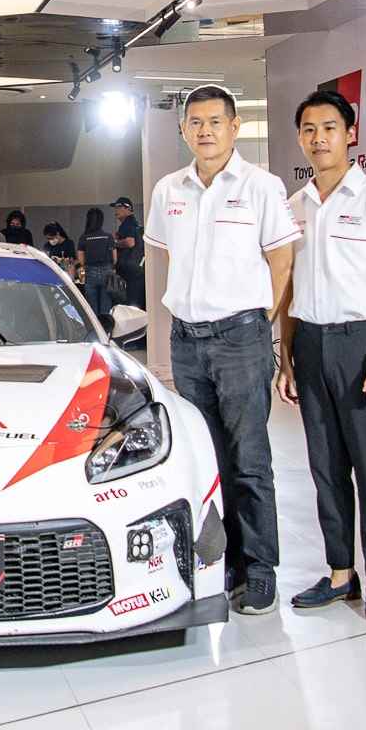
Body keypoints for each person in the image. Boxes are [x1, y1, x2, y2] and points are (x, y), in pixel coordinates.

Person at [147, 85, 301, 615]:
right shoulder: (169, 189)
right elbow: (171, 259)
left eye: (216, 121)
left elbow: (282, 262)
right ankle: (226, 560)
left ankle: (260, 569)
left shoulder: (261, 186)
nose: (205, 130)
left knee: (249, 458)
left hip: (241, 338)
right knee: (207, 457)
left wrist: (259, 323)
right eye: (196, 122)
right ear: (183, 130)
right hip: (187, 340)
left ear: (235, 128)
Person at [275, 89, 366, 623]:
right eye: (309, 129)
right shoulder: (294, 207)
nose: (319, 139)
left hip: (364, 344)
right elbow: (288, 290)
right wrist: (287, 358)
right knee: (326, 467)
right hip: (311, 345)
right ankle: (341, 573)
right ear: (300, 138)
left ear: (350, 134)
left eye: (330, 128)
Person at [76, 207, 116, 319]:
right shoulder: (108, 237)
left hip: (90, 272)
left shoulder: (84, 238)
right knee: (106, 306)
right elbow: (115, 259)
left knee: (92, 307)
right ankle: (106, 328)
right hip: (107, 272)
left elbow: (81, 260)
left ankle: (95, 328)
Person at [112, 196, 146, 309]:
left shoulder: (129, 222)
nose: (116, 210)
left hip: (130, 270)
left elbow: (130, 242)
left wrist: (114, 242)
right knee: (136, 302)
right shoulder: (133, 224)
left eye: (118, 207)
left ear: (128, 208)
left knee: (131, 304)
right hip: (137, 269)